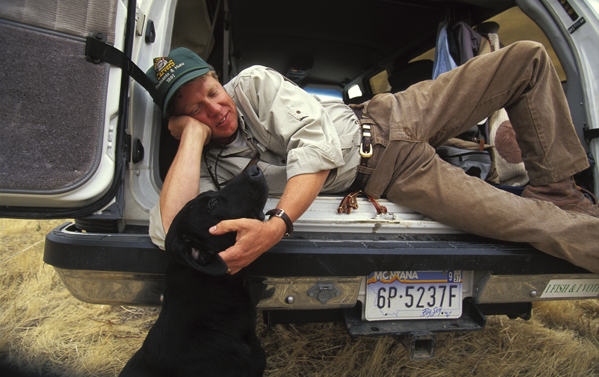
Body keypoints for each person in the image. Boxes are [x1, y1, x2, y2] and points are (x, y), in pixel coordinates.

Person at [146, 42, 599, 275]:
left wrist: (275, 226)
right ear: (177, 123)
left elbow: (314, 147)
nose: (215, 109)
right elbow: (170, 231)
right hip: (393, 173)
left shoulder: (252, 85)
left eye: (211, 92)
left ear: (217, 78)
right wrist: (193, 140)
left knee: (526, 59)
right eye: (194, 111)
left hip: (392, 112)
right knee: (531, 224)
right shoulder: (203, 164)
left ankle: (558, 188)